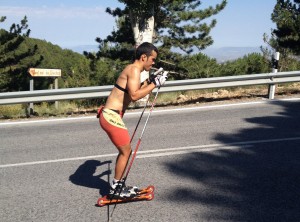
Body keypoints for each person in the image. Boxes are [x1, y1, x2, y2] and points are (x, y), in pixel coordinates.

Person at [98, 42, 168, 199]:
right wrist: (155, 84)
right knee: (126, 151)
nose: (154, 63)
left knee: (124, 151)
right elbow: (136, 96)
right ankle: (115, 188)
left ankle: (117, 184)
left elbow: (135, 90)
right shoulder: (134, 69)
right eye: (153, 59)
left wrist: (151, 81)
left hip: (111, 115)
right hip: (110, 116)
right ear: (144, 57)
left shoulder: (133, 69)